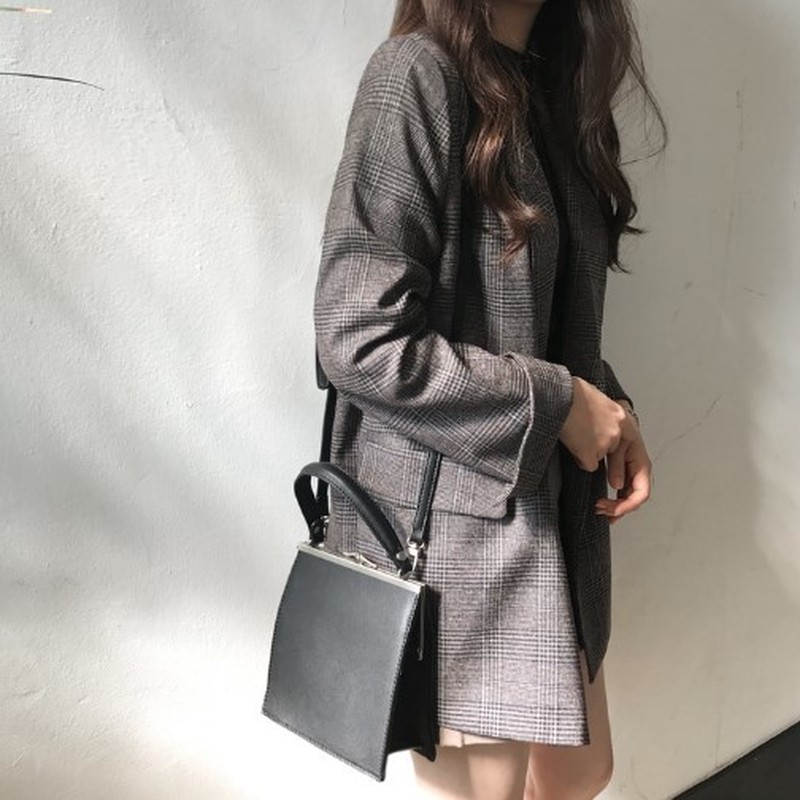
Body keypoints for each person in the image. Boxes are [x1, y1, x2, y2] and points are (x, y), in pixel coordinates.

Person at [313, 0, 663, 797]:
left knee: (580, 774)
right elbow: (358, 337)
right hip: (454, 536)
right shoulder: (415, 75)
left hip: (552, 518)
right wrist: (560, 405)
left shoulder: (551, 87)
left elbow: (544, 323)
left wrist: (610, 411)